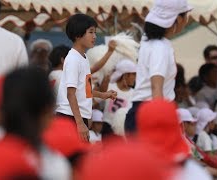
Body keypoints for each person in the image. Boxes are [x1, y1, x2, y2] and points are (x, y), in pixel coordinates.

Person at [124, 0, 193, 134]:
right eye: (186, 16)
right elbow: (157, 87)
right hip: (151, 113)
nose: (186, 21)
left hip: (145, 112)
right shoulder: (159, 47)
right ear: (178, 19)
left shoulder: (150, 42)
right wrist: (161, 121)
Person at [55, 13, 117, 142]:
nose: (94, 36)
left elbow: (86, 89)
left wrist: (103, 95)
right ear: (78, 35)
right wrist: (79, 123)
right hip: (69, 117)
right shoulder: (73, 59)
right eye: (91, 32)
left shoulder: (83, 57)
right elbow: (70, 94)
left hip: (76, 118)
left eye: (95, 32)